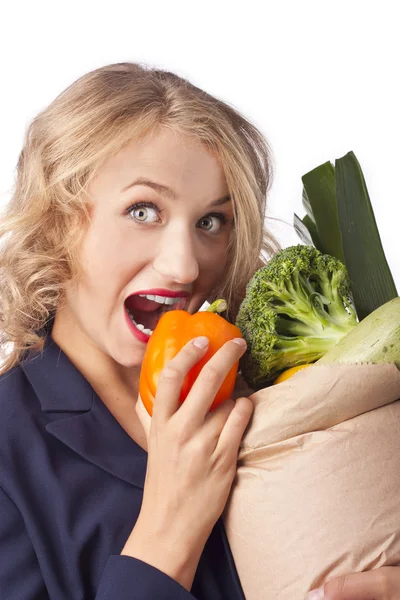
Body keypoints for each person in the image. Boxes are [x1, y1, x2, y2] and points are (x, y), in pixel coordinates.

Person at [0, 62, 398, 600]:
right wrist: (168, 534)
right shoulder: (9, 450)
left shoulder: (286, 386)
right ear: (56, 220)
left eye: (211, 222)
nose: (186, 266)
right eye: (143, 210)